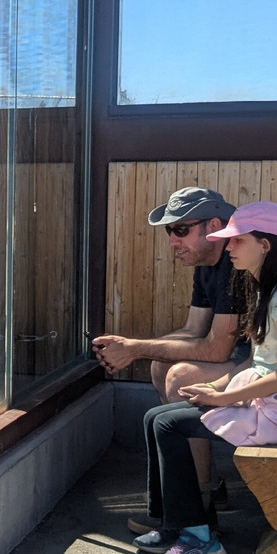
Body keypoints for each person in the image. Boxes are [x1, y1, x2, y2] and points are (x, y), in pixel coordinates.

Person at [134, 202, 277, 554]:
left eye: (237, 240)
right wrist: (217, 383)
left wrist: (221, 398)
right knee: (156, 417)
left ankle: (201, 540)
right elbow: (258, 361)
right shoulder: (263, 286)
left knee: (169, 425)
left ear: (264, 244)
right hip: (263, 401)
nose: (229, 248)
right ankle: (175, 522)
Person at [94, 187, 247, 516]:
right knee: (161, 367)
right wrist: (131, 349)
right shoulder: (209, 262)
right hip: (255, 359)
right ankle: (203, 487)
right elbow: (193, 330)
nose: (173, 241)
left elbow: (217, 349)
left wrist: (135, 349)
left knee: (180, 376)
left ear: (214, 226)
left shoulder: (238, 262)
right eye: (169, 231)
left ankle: (197, 506)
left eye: (181, 230)